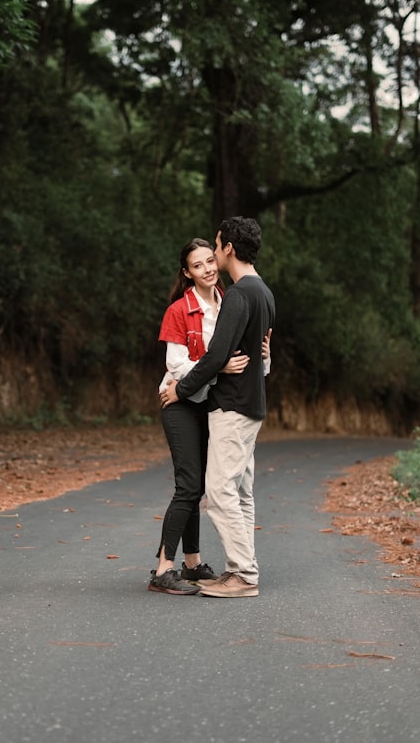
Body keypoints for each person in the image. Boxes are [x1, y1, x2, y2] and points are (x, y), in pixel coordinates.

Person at [159, 217, 275, 599]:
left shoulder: (239, 296)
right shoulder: (264, 293)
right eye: (198, 263)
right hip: (248, 404)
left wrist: (182, 389)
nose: (209, 264)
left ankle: (242, 574)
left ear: (226, 249)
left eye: (215, 249)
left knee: (221, 492)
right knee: (239, 492)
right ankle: (238, 570)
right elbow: (253, 357)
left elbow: (216, 358)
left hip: (231, 405)